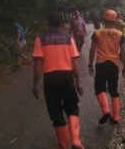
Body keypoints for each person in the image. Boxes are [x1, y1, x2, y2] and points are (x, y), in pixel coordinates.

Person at [32, 11, 85, 149]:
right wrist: (78, 82)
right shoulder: (68, 38)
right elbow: (74, 63)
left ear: (48, 22)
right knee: (72, 107)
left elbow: (38, 63)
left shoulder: (41, 39)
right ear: (61, 23)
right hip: (67, 77)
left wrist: (36, 85)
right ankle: (76, 140)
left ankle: (63, 145)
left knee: (55, 111)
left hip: (50, 79)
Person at [88, 9, 125, 125]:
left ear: (104, 20)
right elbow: (123, 52)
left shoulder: (97, 33)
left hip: (101, 64)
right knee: (113, 90)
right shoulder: (120, 34)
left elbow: (92, 50)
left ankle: (105, 110)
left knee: (100, 88)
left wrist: (90, 64)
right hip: (114, 65)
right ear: (115, 21)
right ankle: (115, 117)